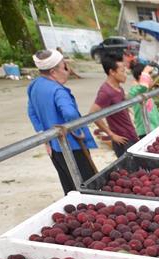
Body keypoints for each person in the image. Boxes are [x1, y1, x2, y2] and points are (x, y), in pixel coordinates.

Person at [26, 49, 97, 194]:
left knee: (69, 186)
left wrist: (44, 136)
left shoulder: (35, 85)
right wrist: (77, 130)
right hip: (73, 147)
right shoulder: (58, 91)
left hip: (54, 147)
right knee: (87, 187)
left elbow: (31, 112)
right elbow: (70, 113)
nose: (68, 71)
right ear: (53, 72)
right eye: (65, 67)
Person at [89, 53, 139, 158]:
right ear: (112, 72)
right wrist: (111, 135)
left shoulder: (118, 88)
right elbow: (92, 114)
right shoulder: (106, 92)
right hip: (122, 140)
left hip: (130, 133)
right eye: (122, 71)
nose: (125, 74)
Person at [128, 62, 159, 137]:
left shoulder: (144, 89)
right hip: (144, 130)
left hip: (154, 127)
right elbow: (143, 86)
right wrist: (145, 72)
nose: (151, 78)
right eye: (149, 75)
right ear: (141, 76)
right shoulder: (136, 89)